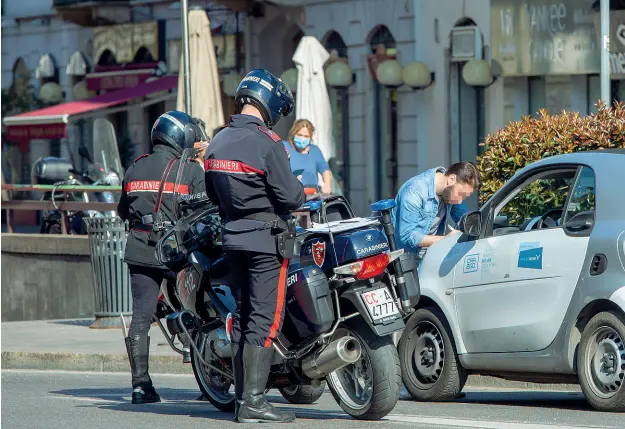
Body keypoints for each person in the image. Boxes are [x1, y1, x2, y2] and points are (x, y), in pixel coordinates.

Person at [204, 69, 304, 423]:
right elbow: (291, 196)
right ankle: (254, 402)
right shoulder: (269, 142)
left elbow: (212, 194)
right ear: (270, 103)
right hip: (266, 243)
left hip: (232, 240)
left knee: (243, 318)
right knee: (264, 320)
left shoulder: (217, 140)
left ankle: (241, 400)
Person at [117, 110, 210, 404]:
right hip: (176, 254)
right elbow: (203, 215)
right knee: (205, 313)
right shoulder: (192, 170)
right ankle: (210, 380)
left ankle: (140, 386)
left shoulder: (135, 168)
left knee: (141, 318)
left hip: (140, 251)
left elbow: (122, 212)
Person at [391, 162, 480, 259]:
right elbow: (408, 236)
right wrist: (446, 239)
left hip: (428, 256)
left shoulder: (452, 191)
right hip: (402, 260)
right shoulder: (414, 191)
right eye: (461, 194)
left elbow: (463, 218)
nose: (460, 201)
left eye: (464, 197)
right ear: (451, 179)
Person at [283, 119, 332, 196]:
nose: (302, 138)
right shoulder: (285, 147)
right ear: (293, 134)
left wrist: (327, 184)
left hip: (311, 194)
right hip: (290, 194)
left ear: (310, 137)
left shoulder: (314, 150)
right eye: (299, 135)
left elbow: (325, 169)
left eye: (306, 136)